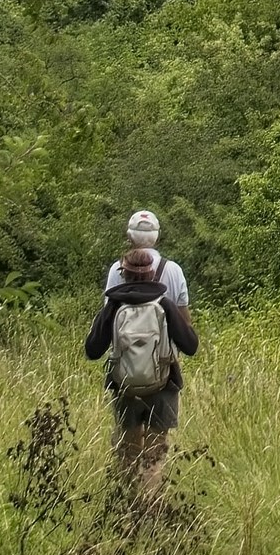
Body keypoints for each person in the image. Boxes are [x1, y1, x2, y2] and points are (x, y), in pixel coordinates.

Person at [84, 209, 199, 505]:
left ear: (123, 272)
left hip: (124, 383)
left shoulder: (114, 299)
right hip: (162, 380)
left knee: (127, 449)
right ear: (150, 271)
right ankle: (151, 508)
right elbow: (191, 344)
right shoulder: (169, 286)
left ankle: (126, 508)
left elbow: (93, 350)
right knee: (155, 453)